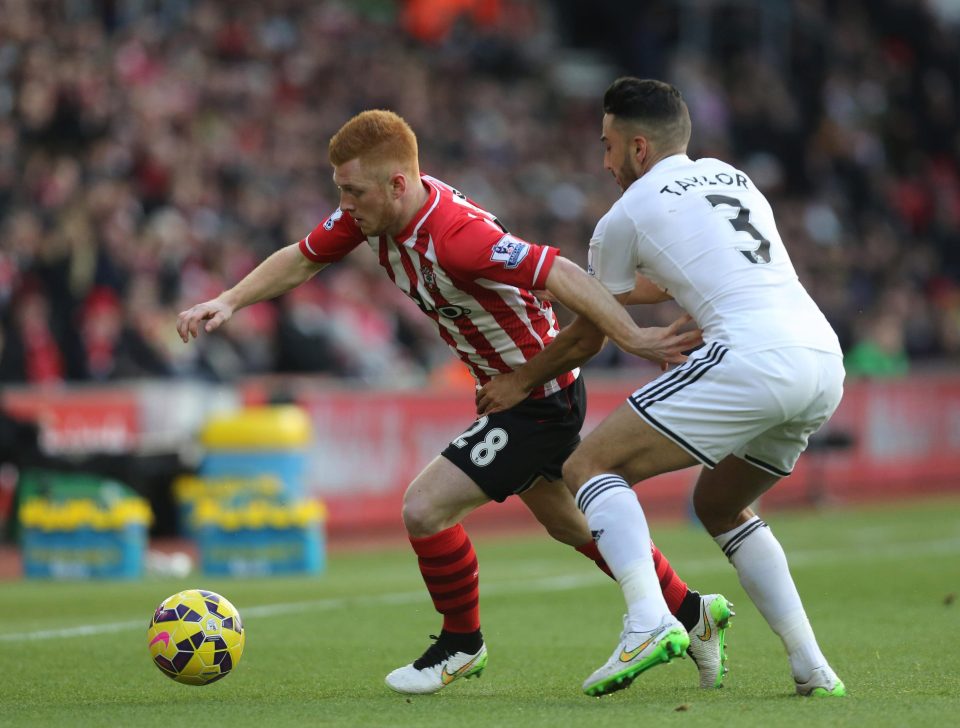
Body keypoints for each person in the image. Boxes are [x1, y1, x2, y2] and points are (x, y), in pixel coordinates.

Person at [177, 109, 733, 695]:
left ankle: (461, 645)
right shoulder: (372, 215)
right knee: (571, 525)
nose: (344, 202)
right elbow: (302, 257)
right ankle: (692, 612)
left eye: (352, 190)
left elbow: (561, 271)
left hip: (534, 395)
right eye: (341, 188)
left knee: (424, 508)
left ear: (397, 183)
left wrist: (631, 337)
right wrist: (230, 300)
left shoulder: (457, 237)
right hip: (519, 393)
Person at [477, 77, 847, 698]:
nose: (605, 162)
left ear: (639, 148)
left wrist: (520, 381)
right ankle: (811, 663)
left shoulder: (624, 216)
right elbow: (690, 272)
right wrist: (565, 286)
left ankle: (647, 622)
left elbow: (588, 335)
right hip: (820, 356)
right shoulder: (736, 180)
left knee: (590, 464)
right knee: (720, 506)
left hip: (750, 356)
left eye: (608, 147)